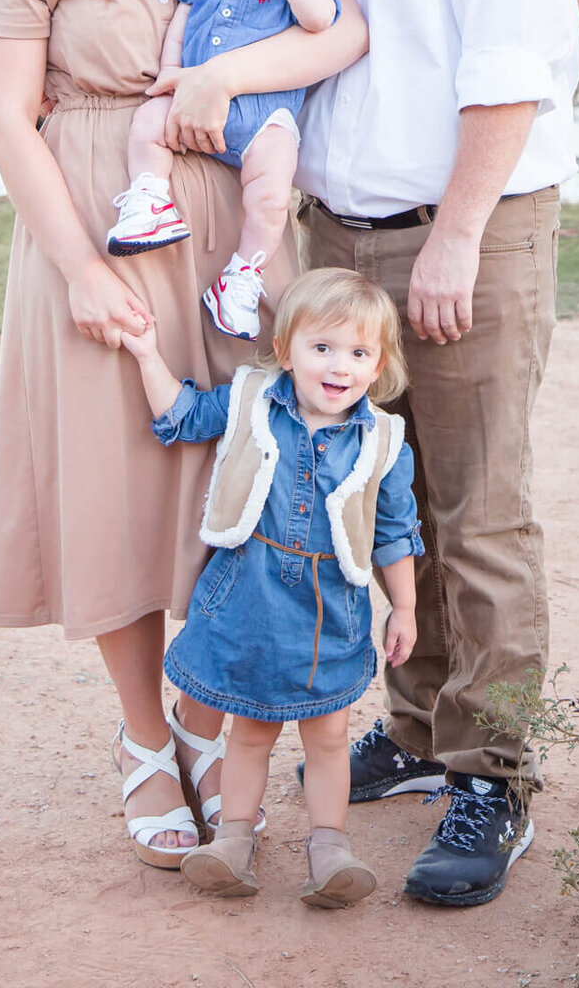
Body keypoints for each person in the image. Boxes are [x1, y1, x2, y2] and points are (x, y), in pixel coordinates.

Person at [165, 0, 579, 908]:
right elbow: (297, 38)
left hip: (471, 224)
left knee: (477, 507)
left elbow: (508, 65)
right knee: (370, 488)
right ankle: (413, 728)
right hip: (334, 239)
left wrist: (457, 232)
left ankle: (493, 776)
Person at [0, 0, 367, 871]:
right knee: (120, 483)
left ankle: (207, 725)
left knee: (235, 480)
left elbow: (338, 37)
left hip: (235, 244)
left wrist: (223, 73)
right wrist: (81, 266)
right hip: (99, 221)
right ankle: (147, 741)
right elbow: (6, 113)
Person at [119, 267, 424, 907]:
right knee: (252, 729)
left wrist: (405, 607)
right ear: (286, 351)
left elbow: (396, 531)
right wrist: (147, 353)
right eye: (322, 348)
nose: (339, 366)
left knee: (330, 735)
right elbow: (179, 416)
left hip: (330, 610)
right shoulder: (250, 401)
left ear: (378, 366)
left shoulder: (386, 442)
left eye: (358, 353)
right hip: (250, 596)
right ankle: (233, 840)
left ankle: (329, 847)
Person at [107, 0, 339, 341]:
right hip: (190, 98)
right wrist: (171, 70)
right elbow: (182, 18)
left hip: (264, 121)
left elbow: (321, 19)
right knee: (148, 122)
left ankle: (242, 277)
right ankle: (148, 197)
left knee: (272, 196)